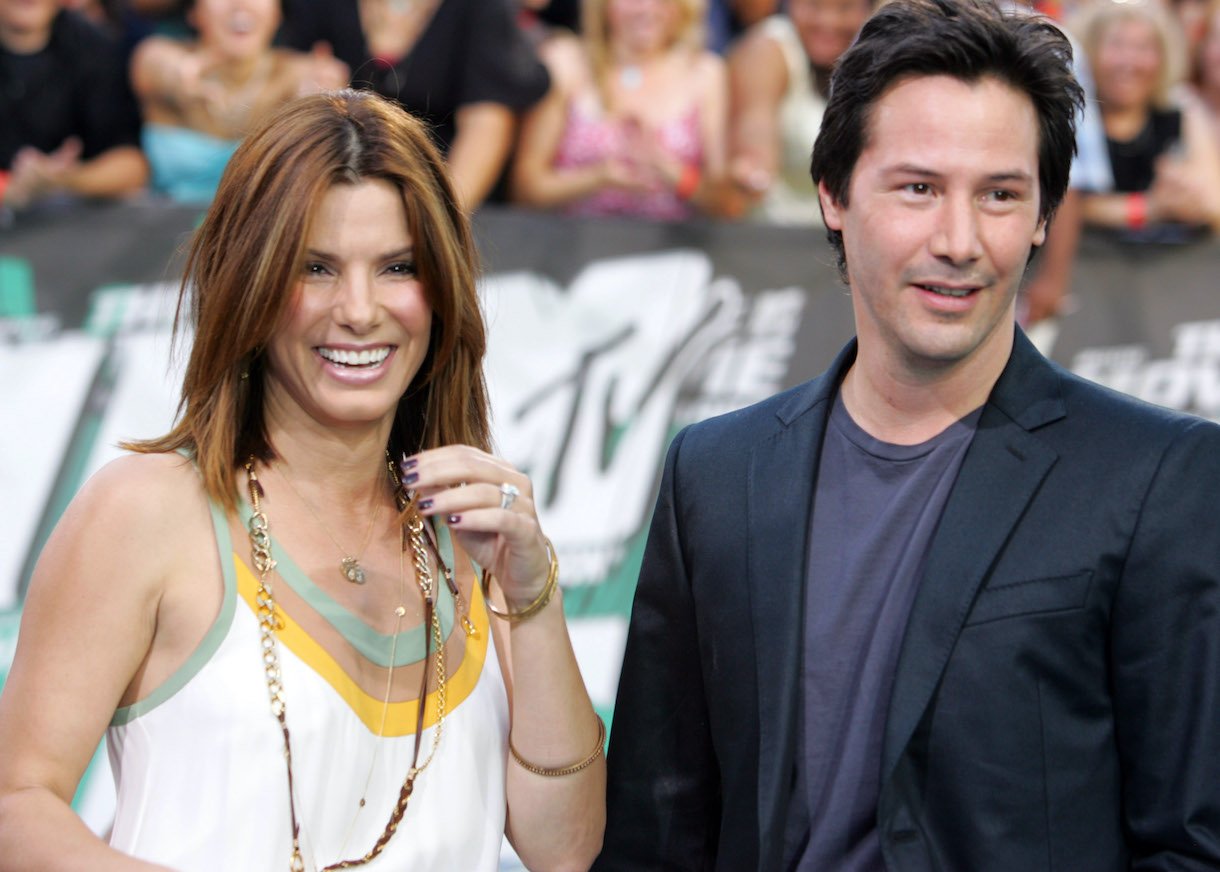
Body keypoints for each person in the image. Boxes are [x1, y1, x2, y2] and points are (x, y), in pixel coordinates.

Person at [595, 0, 1220, 868]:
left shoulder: (1158, 477)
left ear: (1042, 217)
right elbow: (655, 832)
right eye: (919, 188)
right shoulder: (717, 472)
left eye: (1001, 195)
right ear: (834, 196)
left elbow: (1194, 840)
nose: (960, 241)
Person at [0, 89, 604, 871]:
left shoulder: (473, 535)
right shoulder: (146, 511)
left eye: (397, 268)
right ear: (248, 282)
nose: (358, 310)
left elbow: (566, 850)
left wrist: (532, 593)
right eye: (314, 268)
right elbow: (18, 811)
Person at [277, 0, 551, 212]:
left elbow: (485, 129)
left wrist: (439, 218)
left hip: (439, 195)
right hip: (330, 195)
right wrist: (301, 86)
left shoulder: (480, 7)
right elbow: (276, 70)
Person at [511, 0, 727, 222]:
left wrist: (669, 170)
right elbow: (526, 191)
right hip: (578, 242)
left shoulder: (704, 72)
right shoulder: (567, 61)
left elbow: (724, 203)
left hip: (674, 246)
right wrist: (599, 177)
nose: (647, 8)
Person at [129, 0, 348, 204]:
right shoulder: (157, 57)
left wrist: (315, 106)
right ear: (193, 11)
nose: (240, 5)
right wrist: (182, 74)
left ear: (277, 11)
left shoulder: (302, 74)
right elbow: (163, 68)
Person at [1073, 0, 1220, 239]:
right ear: (1090, 51)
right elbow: (1065, 207)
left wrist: (1186, 192)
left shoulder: (1182, 112)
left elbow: (1214, 205)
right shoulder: (1075, 118)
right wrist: (1149, 208)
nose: (1129, 62)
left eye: (1144, 47)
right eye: (1116, 45)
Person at [717, 0, 873, 223]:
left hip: (840, 241)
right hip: (775, 236)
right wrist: (753, 170)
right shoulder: (766, 50)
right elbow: (754, 136)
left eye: (845, 8)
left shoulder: (874, 53)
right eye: (814, 6)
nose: (828, 21)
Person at [0, 0, 147, 212]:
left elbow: (132, 166)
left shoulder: (95, 48)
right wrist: (8, 188)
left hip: (72, 225)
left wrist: (65, 179)